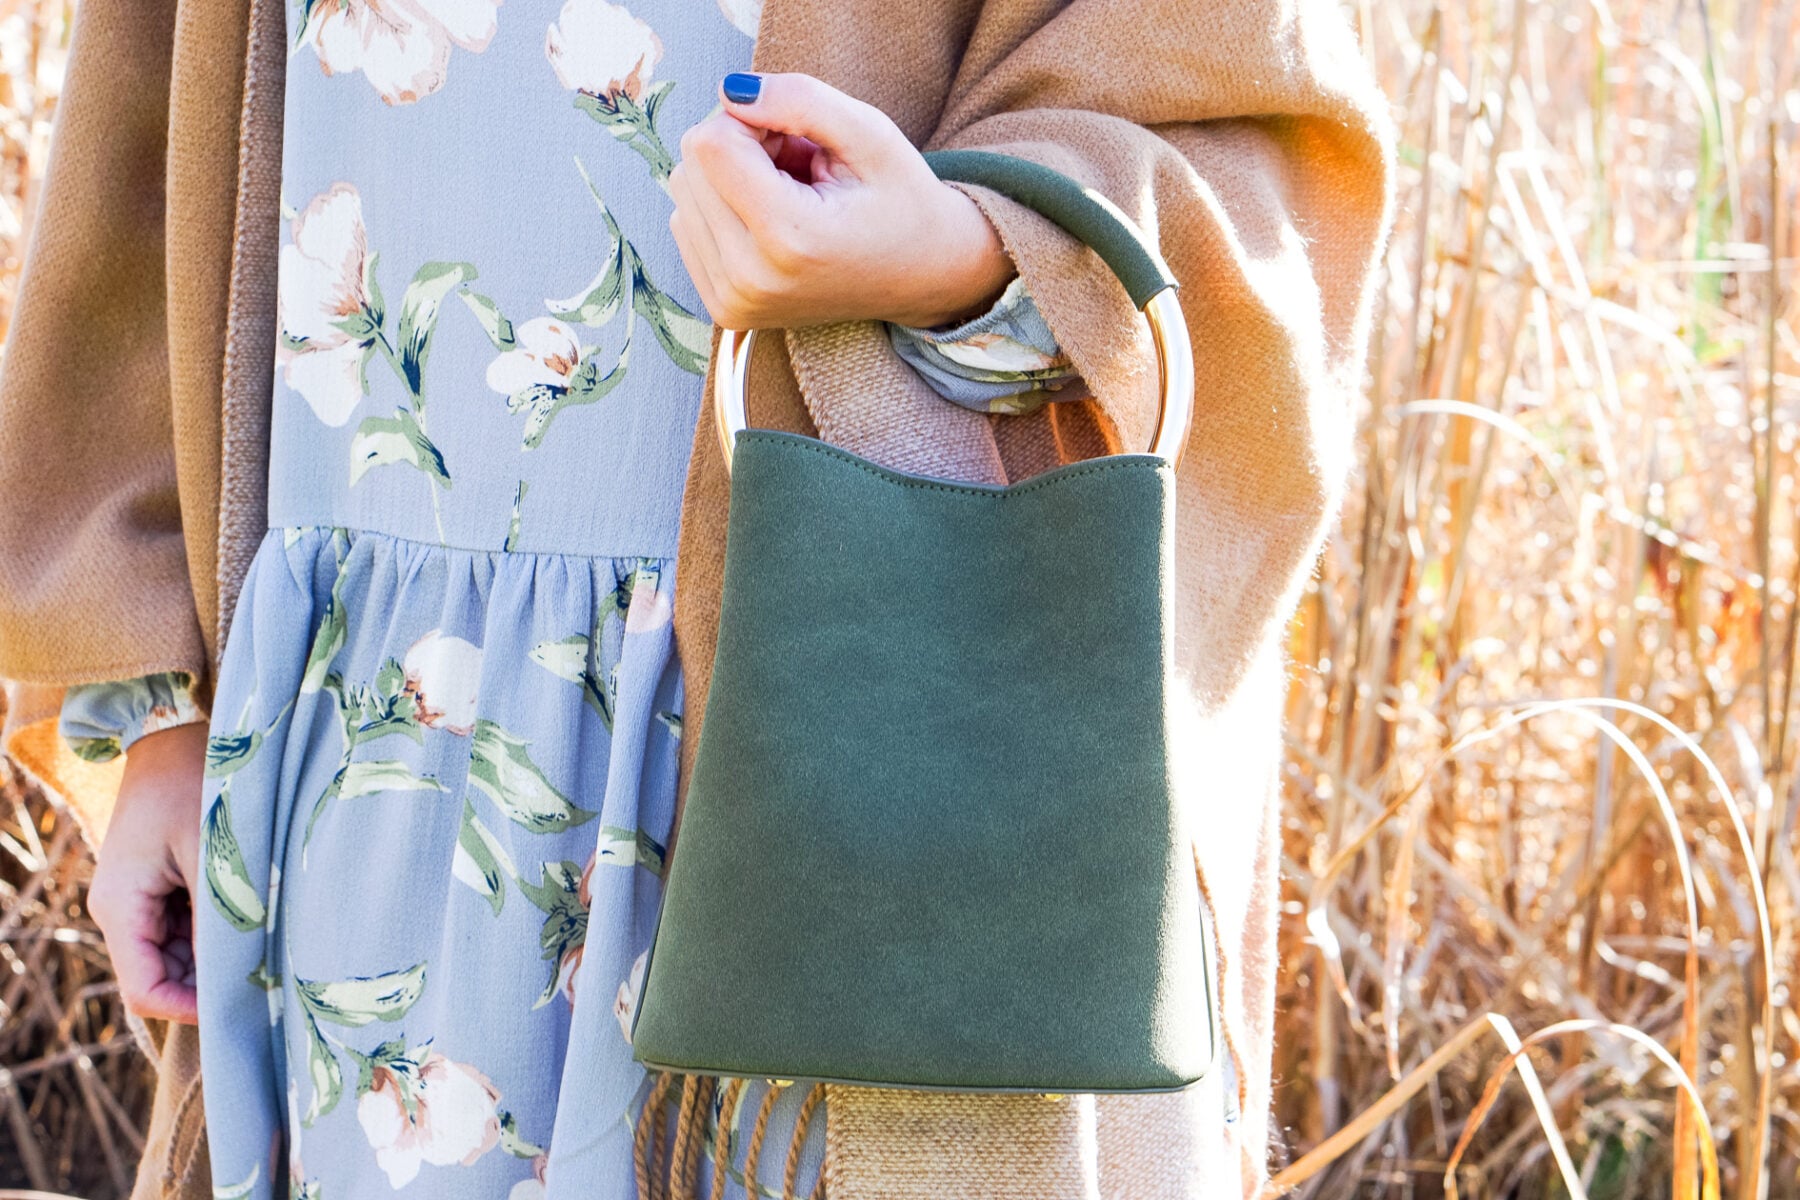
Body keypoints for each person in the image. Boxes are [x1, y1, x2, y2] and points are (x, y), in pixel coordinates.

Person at [0, 0, 1394, 1196]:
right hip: (368, 750)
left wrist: (964, 250)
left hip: (850, 719)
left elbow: (1250, 131)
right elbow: (153, 133)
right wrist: (164, 701)